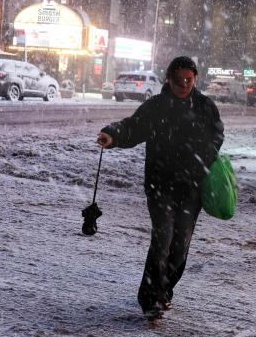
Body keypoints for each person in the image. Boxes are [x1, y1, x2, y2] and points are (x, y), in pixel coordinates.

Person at [96, 56, 224, 320]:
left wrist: (204, 155)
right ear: (169, 79)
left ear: (195, 78)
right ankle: (150, 297)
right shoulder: (156, 107)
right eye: (179, 80)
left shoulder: (204, 106)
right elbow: (133, 127)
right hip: (160, 184)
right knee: (163, 239)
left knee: (180, 244)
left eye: (189, 80)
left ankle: (164, 292)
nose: (184, 84)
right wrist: (112, 134)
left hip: (192, 188)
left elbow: (217, 135)